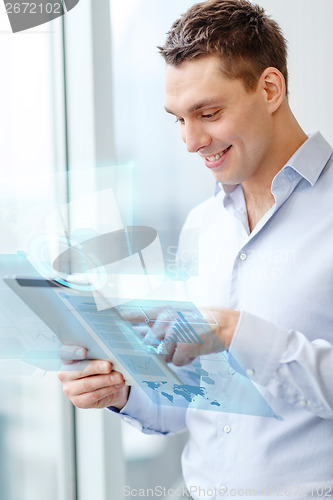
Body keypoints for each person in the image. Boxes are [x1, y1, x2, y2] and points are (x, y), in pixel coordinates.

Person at [58, 1, 333, 498]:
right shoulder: (201, 226)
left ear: (270, 88)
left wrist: (234, 331)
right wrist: (123, 391)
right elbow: (201, 402)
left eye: (208, 113)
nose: (190, 141)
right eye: (178, 120)